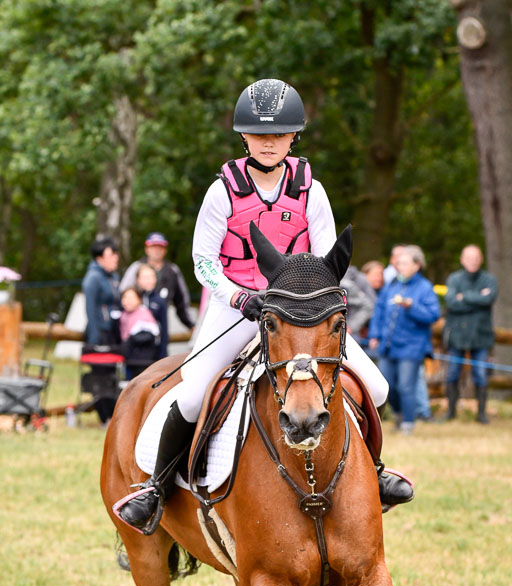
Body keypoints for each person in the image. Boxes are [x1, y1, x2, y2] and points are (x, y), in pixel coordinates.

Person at [120, 78, 413, 530]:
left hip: (299, 311)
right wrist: (239, 296)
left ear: (294, 135)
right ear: (244, 137)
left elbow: (327, 255)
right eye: (259, 134)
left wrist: (313, 303)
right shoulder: (223, 191)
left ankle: (373, 472)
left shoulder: (311, 190)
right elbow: (203, 260)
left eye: (278, 134)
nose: (269, 142)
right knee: (195, 392)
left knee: (375, 387)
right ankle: (155, 488)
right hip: (237, 305)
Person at [369, 245, 440, 434]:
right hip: (388, 345)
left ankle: (408, 424)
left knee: (406, 386)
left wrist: (412, 307)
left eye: (405, 263)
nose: (400, 266)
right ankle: (398, 415)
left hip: (412, 347)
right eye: (399, 263)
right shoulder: (392, 285)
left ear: (417, 266)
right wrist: (375, 335)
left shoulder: (424, 287)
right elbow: (379, 311)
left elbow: (433, 315)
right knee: (386, 386)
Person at [443, 244, 498, 423]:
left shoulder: (489, 279)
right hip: (457, 336)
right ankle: (451, 412)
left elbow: (489, 298)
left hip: (481, 337)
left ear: (480, 260)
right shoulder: (454, 278)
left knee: (481, 375)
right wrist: (477, 298)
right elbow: (451, 302)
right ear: (462, 260)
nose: (472, 262)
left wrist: (463, 296)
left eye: (476, 258)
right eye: (469, 258)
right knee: (452, 374)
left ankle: (481, 414)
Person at [120, 231, 195, 332]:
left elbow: (182, 301)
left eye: (160, 247)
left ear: (165, 250)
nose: (156, 250)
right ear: (147, 249)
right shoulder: (136, 267)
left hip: (160, 323)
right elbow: (123, 294)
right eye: (153, 247)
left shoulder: (172, 271)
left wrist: (190, 325)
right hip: (136, 326)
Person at [82, 237, 121, 424]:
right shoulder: (93, 278)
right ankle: (104, 415)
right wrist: (95, 339)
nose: (115, 257)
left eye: (115, 253)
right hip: (98, 334)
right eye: (110, 254)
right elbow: (90, 309)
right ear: (99, 258)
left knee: (111, 374)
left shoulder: (113, 276)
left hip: (112, 333)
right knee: (100, 374)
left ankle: (111, 414)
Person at [120, 287, 161, 380]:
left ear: (139, 300)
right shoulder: (124, 315)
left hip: (141, 363)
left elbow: (150, 337)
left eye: (131, 298)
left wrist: (132, 340)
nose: (127, 301)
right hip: (129, 361)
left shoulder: (144, 315)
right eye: (125, 297)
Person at [340, 264, 380, 346]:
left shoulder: (346, 283)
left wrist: (352, 326)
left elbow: (370, 305)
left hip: (350, 336)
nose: (379, 278)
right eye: (376, 274)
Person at [136, 263, 169, 359]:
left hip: (153, 349)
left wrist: (163, 353)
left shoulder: (159, 301)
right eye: (144, 277)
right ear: (138, 280)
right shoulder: (133, 298)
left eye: (151, 277)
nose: (148, 280)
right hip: (135, 350)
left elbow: (164, 328)